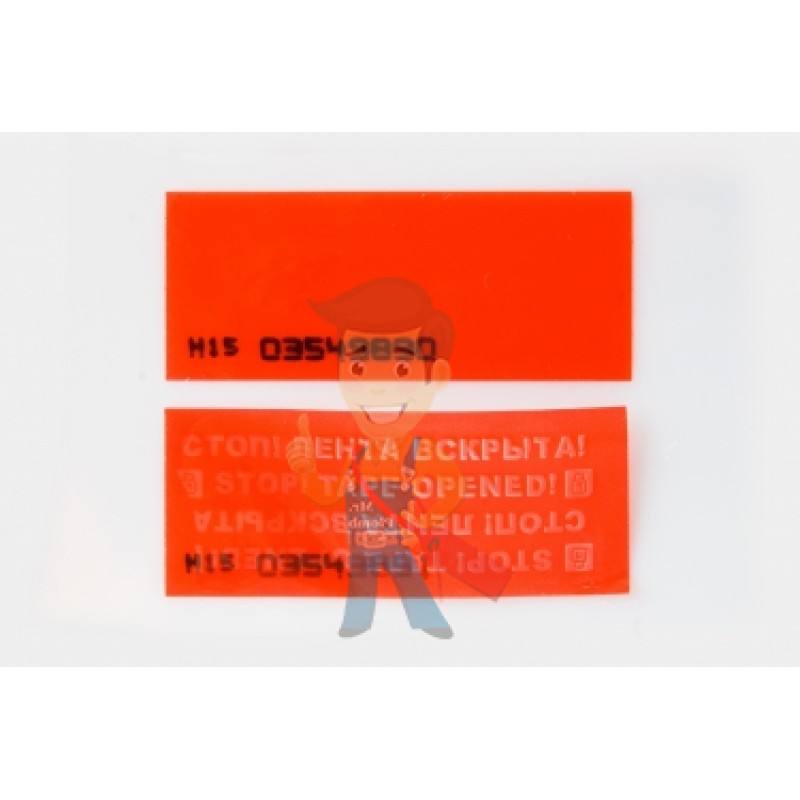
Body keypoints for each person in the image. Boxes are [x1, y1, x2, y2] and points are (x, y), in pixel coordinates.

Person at [286, 277, 460, 638]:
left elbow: (454, 486)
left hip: (399, 544)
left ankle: (429, 622)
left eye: (401, 369)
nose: (377, 388)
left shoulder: (419, 451)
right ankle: (356, 626)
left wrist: (426, 521)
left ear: (437, 376)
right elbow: (327, 496)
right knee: (360, 587)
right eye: (358, 368)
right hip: (361, 547)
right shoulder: (356, 456)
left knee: (410, 581)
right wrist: (306, 470)